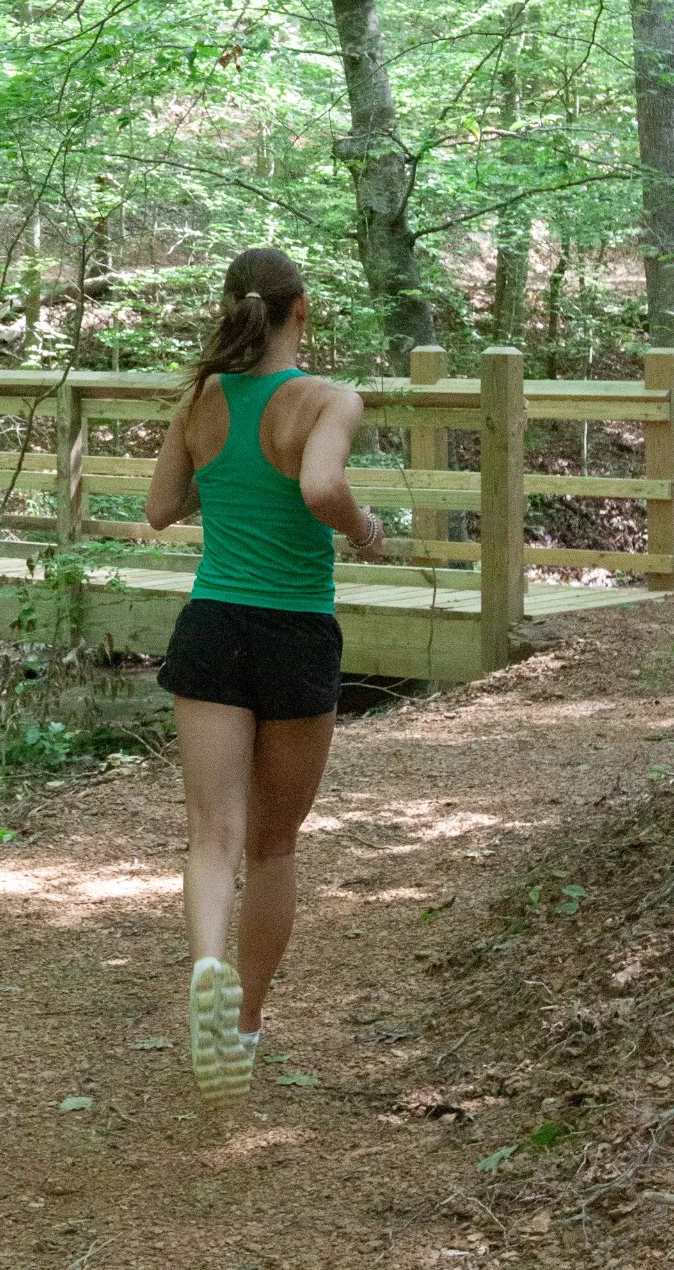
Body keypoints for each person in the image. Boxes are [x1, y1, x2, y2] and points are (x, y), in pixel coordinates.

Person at [144, 247, 384, 1099]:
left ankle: (205, 965)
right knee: (273, 843)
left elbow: (159, 508)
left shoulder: (200, 400)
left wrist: (223, 478)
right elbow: (320, 488)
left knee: (211, 833)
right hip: (294, 630)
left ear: (232, 310)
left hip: (211, 624)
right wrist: (362, 527)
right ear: (301, 309)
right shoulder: (328, 399)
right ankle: (242, 1026)